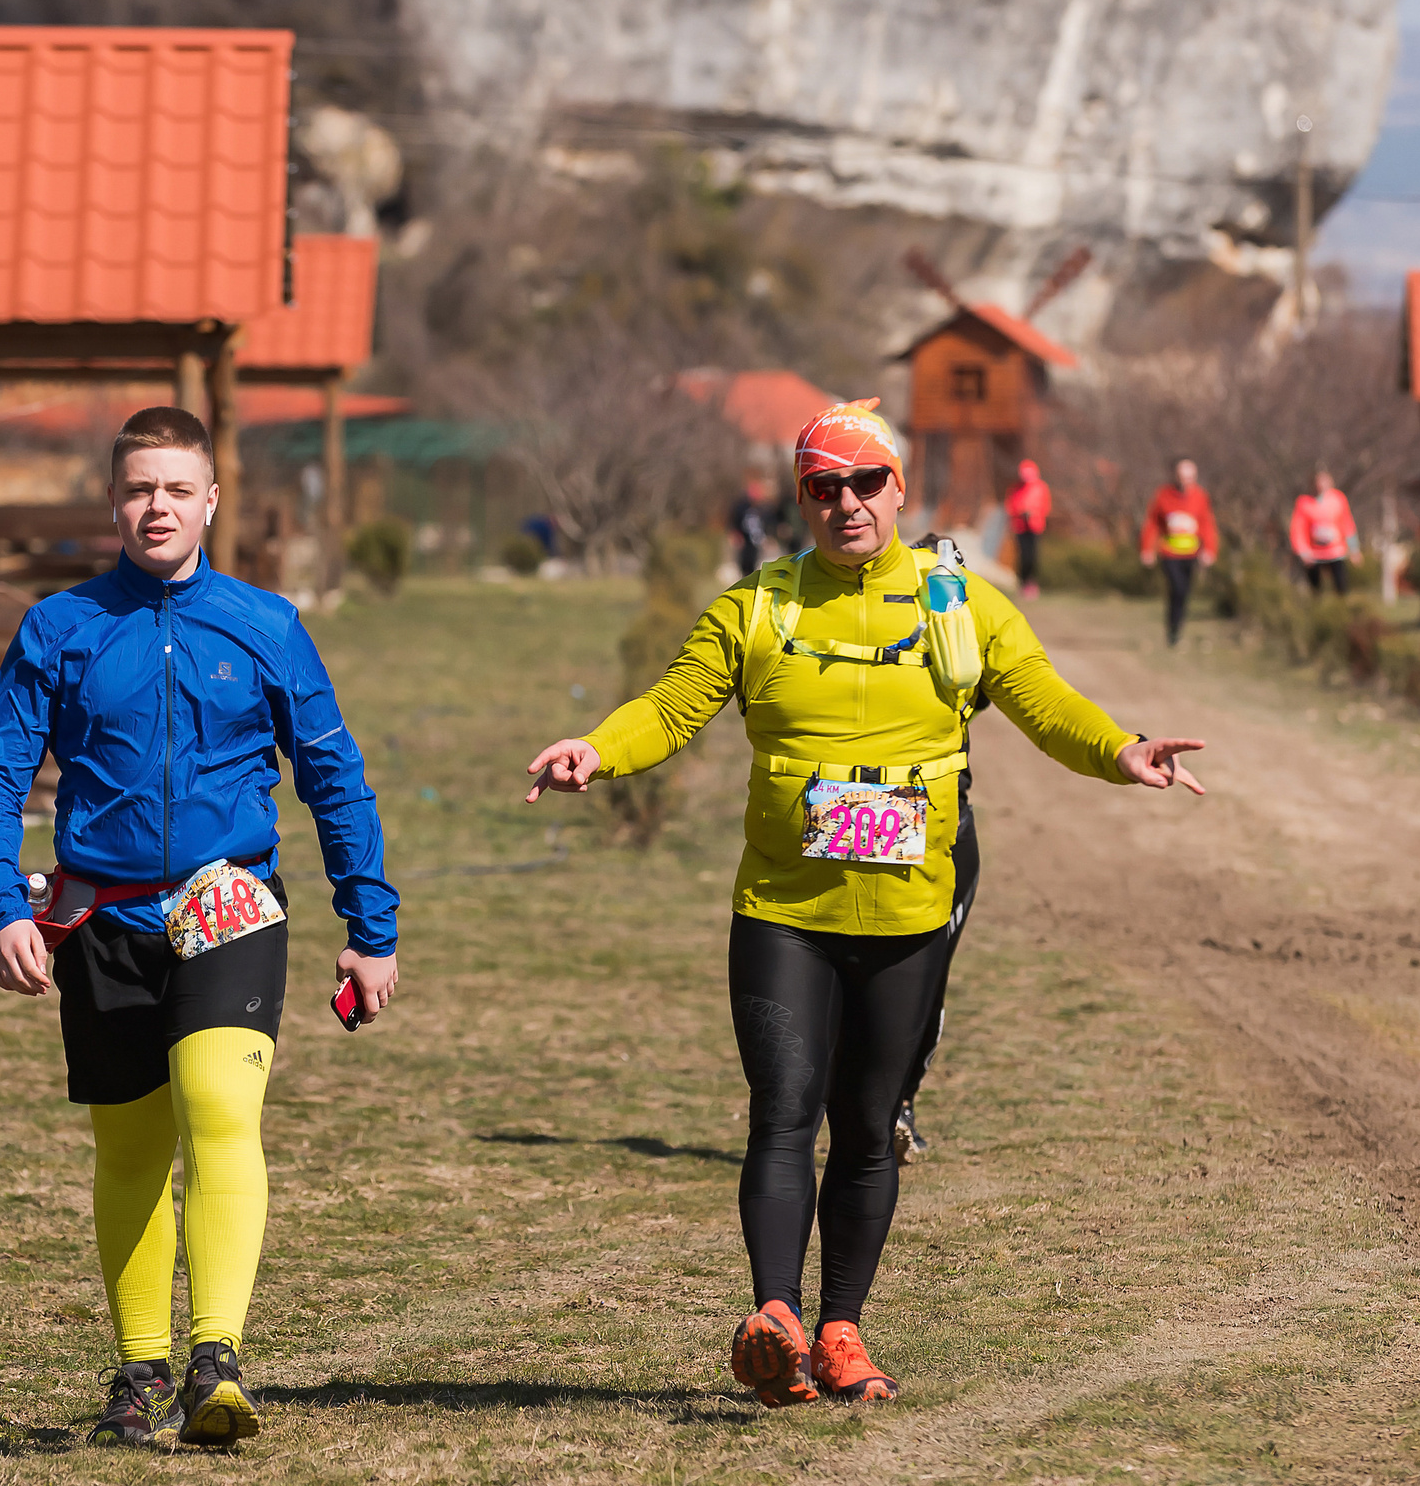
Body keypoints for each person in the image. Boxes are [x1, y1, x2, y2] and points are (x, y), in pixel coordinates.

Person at [522, 397, 1206, 1409]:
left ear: (898, 487)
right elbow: (669, 708)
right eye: (821, 486)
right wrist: (597, 748)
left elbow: (1042, 701)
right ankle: (778, 1323)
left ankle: (842, 1329)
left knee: (869, 1124)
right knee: (782, 1114)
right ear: (802, 499)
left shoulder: (959, 605)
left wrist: (1119, 748)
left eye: (864, 482)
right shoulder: (757, 607)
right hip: (783, 912)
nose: (845, 503)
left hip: (906, 919)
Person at [0, 406, 401, 1449]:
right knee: (129, 1145)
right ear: (115, 502)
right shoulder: (59, 627)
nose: (155, 505)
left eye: (175, 488)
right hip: (98, 914)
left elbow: (333, 777)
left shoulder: (265, 624)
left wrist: (368, 925)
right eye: (136, 488)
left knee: (217, 1110)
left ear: (209, 502)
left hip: (228, 900)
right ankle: (139, 1368)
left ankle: (217, 1359)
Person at [1138, 457, 1218, 646]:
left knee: (1184, 593)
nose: (1186, 481)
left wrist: (1210, 550)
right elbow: (1152, 524)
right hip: (1169, 553)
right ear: (1175, 475)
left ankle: (1176, 630)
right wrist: (1146, 549)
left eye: (1190, 477)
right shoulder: (1163, 495)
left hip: (1191, 554)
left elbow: (1207, 524)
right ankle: (1172, 630)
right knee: (1177, 588)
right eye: (1183, 476)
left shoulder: (1200, 496)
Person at [1289, 468, 1359, 594]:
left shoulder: (1338, 499)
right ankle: (1319, 611)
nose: (1321, 485)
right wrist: (1303, 551)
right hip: (1313, 554)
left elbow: (1347, 524)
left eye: (1325, 481)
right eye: (1319, 482)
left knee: (1341, 588)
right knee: (1316, 590)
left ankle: (1342, 610)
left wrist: (1354, 549)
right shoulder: (1304, 502)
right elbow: (1297, 529)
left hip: (1336, 552)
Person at [1004, 459, 1051, 601]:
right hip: (1020, 526)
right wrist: (1020, 512)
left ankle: (1032, 583)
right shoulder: (1015, 488)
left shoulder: (1041, 487)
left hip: (1035, 526)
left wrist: (1034, 513)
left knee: (1033, 556)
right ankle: (1023, 583)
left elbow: (1046, 506)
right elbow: (1010, 506)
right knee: (1023, 556)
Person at [729, 479, 773, 575]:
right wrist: (736, 535)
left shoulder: (762, 509)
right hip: (745, 539)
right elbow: (735, 521)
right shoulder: (742, 508)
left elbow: (768, 523)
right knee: (744, 563)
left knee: (755, 562)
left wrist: (768, 536)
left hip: (757, 540)